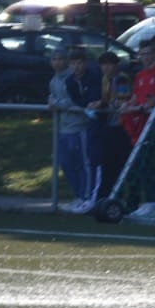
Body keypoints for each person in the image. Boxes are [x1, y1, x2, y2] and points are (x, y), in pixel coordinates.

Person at [121, 38, 155, 216]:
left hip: (153, 124)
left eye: (149, 53)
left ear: (154, 54)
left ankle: (154, 201)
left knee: (147, 161)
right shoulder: (139, 75)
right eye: (142, 54)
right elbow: (137, 96)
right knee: (137, 163)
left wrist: (150, 104)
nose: (146, 57)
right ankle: (136, 202)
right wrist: (128, 105)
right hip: (139, 125)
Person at [47, 45, 91, 213]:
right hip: (63, 128)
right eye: (54, 59)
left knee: (81, 163)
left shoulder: (73, 78)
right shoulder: (53, 80)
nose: (57, 62)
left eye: (60, 59)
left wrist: (58, 104)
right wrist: (53, 102)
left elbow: (75, 100)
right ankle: (77, 195)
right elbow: (52, 98)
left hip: (78, 127)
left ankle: (86, 197)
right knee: (66, 163)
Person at [88, 52, 130, 204]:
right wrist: (99, 103)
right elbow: (106, 98)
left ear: (115, 65)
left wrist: (103, 104)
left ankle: (121, 197)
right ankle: (105, 197)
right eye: (103, 64)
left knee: (120, 163)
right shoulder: (105, 79)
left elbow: (122, 100)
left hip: (122, 126)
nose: (106, 68)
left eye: (109, 64)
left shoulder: (122, 78)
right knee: (107, 163)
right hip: (109, 125)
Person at [65, 48, 102, 207]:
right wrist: (85, 106)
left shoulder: (94, 76)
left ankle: (90, 196)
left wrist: (92, 104)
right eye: (73, 63)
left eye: (79, 63)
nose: (76, 66)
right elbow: (78, 100)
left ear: (85, 63)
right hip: (86, 119)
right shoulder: (70, 81)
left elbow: (95, 96)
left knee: (91, 160)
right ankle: (83, 196)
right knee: (76, 161)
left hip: (97, 121)